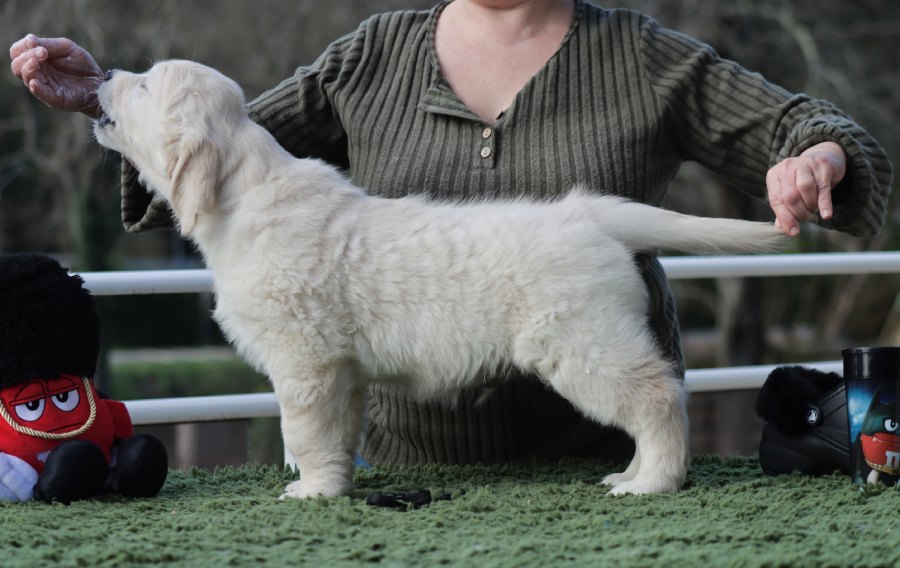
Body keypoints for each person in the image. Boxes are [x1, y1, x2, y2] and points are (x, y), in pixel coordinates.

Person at [10, 0, 892, 467]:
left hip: (590, 462)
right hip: (407, 475)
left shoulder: (646, 56)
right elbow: (218, 150)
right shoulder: (371, 54)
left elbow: (807, 124)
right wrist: (106, 101)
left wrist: (816, 157)